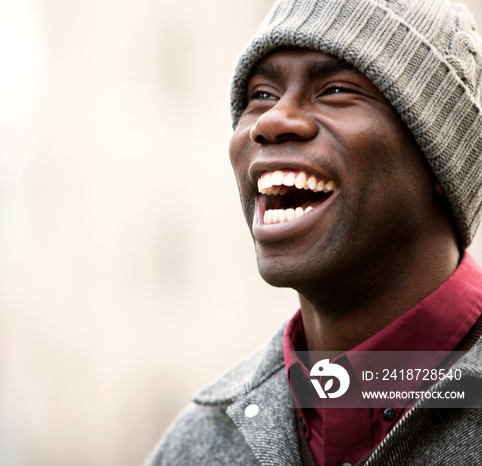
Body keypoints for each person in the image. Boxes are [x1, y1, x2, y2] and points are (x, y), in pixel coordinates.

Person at [146, 0, 482, 464]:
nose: (271, 121)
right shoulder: (197, 446)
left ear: (441, 160)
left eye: (337, 89)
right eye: (261, 94)